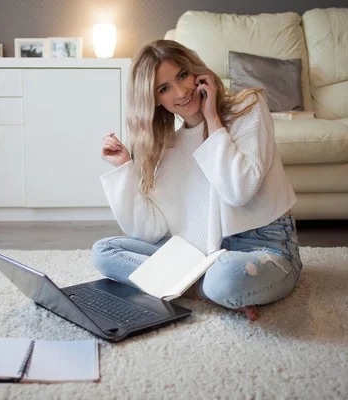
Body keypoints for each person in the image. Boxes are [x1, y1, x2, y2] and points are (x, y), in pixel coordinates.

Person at [91, 40, 302, 321]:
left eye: (181, 76)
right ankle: (198, 287)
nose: (181, 92)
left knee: (223, 279)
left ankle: (188, 285)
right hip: (200, 252)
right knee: (105, 251)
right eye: (164, 88)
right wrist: (124, 167)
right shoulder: (168, 146)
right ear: (155, 100)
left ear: (195, 72)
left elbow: (239, 190)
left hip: (263, 246)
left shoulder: (248, 107)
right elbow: (150, 232)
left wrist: (212, 118)